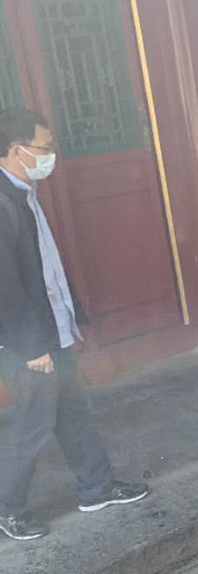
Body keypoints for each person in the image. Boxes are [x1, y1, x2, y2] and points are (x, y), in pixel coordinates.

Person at [0, 107, 149, 541]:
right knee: (34, 421)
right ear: (16, 150)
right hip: (27, 341)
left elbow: (45, 270)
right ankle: (8, 506)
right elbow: (4, 288)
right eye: (43, 148)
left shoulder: (22, 192)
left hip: (49, 331)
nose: (50, 157)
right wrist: (32, 347)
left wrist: (69, 320)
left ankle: (96, 487)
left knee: (72, 412)